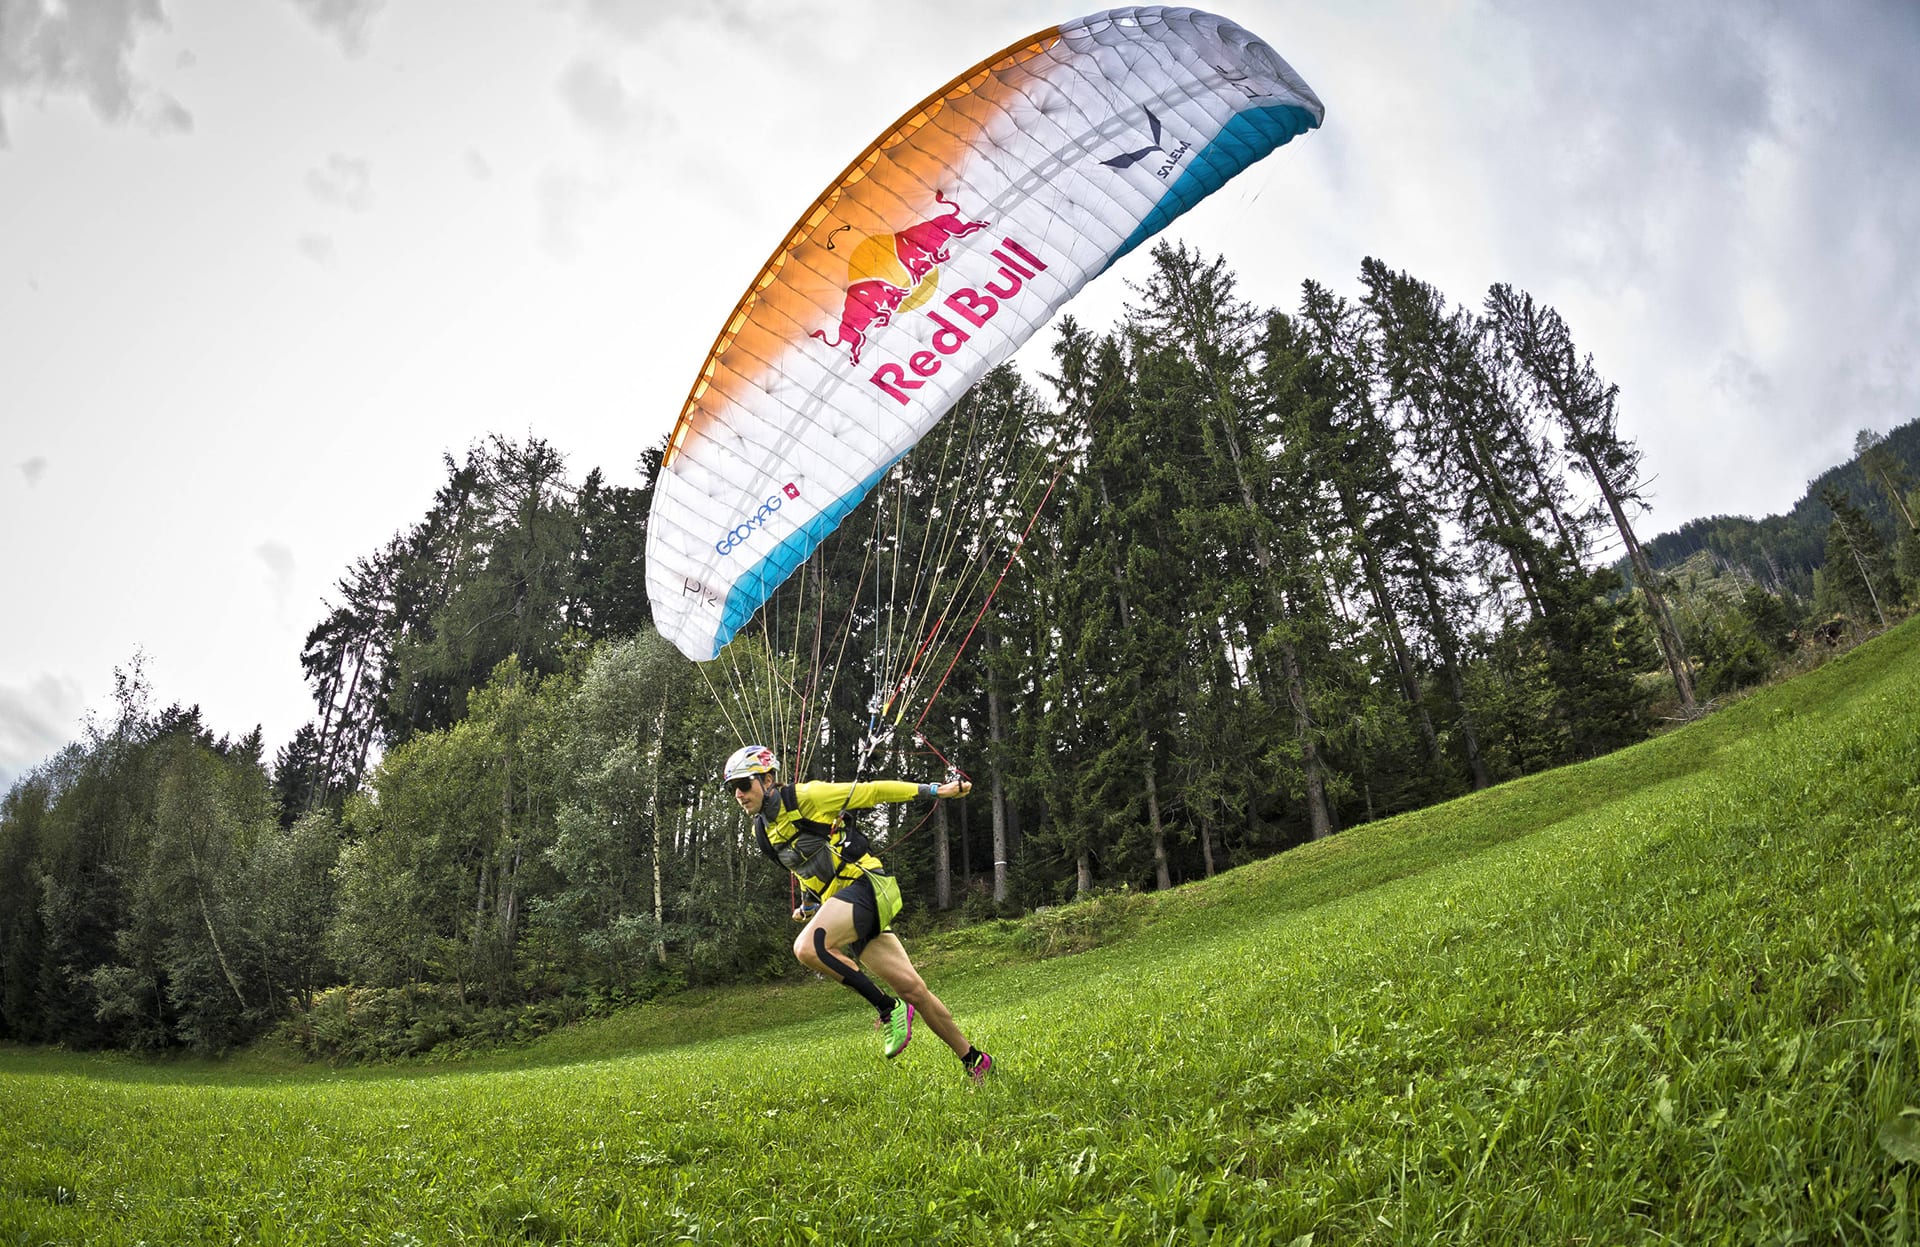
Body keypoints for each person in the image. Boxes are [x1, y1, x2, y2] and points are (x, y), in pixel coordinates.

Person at [723, 744, 994, 1084]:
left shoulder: (807, 796)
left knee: (807, 948)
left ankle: (888, 1008)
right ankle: (974, 1060)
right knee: (914, 990)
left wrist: (935, 790)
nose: (739, 794)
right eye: (732, 788)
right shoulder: (762, 832)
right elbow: (804, 865)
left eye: (744, 784)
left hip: (866, 885)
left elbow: (872, 791)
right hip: (843, 904)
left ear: (767, 779)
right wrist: (809, 903)